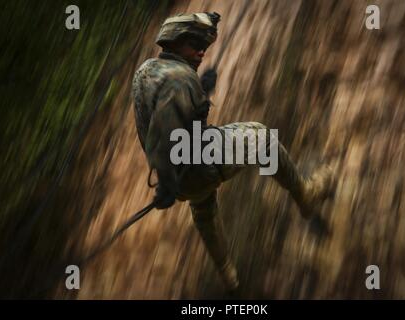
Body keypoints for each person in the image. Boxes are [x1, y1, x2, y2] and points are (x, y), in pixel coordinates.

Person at [132, 12, 336, 293]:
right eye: (194, 43)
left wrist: (200, 92)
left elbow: (160, 114)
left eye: (203, 43)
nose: (201, 50)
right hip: (191, 165)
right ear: (175, 42)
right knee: (261, 139)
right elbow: (162, 135)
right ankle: (305, 195)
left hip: (183, 178)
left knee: (203, 208)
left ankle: (229, 275)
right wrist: (166, 182)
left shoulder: (147, 71)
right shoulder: (181, 80)